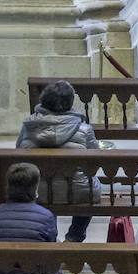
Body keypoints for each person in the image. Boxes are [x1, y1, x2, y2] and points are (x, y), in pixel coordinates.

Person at [17, 80, 98, 243]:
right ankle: (74, 237)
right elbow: (94, 165)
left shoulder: (29, 126)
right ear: (70, 103)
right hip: (78, 192)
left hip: (36, 191)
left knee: (46, 184)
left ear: (44, 100)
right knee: (89, 186)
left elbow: (19, 154)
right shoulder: (84, 129)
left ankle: (51, 238)